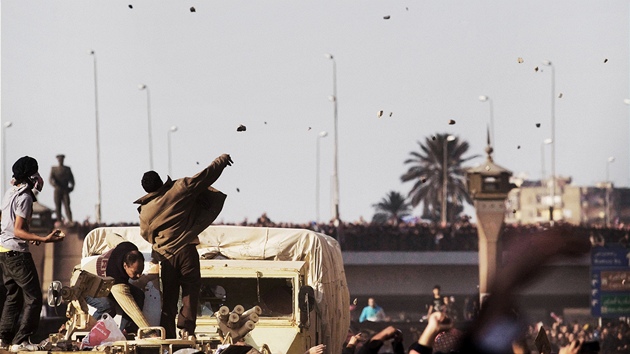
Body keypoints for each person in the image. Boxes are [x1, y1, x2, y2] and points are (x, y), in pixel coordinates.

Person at [134, 153, 233, 339]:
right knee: (190, 292)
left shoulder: (145, 211)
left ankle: (168, 335)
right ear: (161, 182)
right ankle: (187, 330)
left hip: (167, 257)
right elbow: (205, 176)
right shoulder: (179, 189)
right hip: (187, 251)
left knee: (169, 298)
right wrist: (221, 161)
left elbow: (145, 234)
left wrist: (163, 242)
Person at [0, 156, 65, 351]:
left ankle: (4, 339)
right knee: (34, 297)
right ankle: (21, 341)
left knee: (13, 297)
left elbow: (7, 221)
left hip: (4, 251)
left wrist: (31, 235)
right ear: (31, 175)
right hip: (18, 253)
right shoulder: (25, 196)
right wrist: (45, 239)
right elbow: (18, 230)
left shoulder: (9, 191)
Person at [85, 241, 152, 334]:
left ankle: (126, 331)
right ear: (125, 265)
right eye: (135, 272)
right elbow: (132, 310)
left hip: (103, 283)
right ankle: (88, 334)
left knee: (138, 295)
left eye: (141, 271)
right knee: (107, 306)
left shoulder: (127, 247)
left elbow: (111, 237)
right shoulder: (116, 281)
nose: (139, 276)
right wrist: (150, 332)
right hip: (85, 285)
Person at [49, 154, 75, 224]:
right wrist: (54, 185)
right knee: (58, 206)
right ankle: (59, 220)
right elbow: (50, 179)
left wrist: (71, 188)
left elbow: (72, 180)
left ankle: (70, 220)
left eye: (61, 159)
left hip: (65, 190)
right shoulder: (54, 169)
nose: (60, 161)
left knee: (67, 205)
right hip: (57, 190)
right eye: (59, 159)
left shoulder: (67, 169)